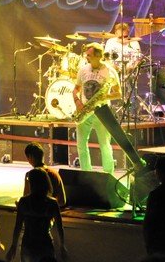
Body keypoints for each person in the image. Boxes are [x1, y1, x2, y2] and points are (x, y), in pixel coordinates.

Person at [72, 43, 121, 174]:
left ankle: (108, 174)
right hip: (84, 111)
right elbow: (76, 89)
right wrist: (77, 101)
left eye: (89, 55)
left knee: (105, 144)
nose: (86, 57)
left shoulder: (110, 71)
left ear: (98, 56)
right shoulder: (83, 69)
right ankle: (86, 173)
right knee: (81, 145)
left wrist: (105, 96)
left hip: (102, 111)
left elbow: (119, 94)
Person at [7, 168, 67, 262]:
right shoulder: (52, 203)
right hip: (45, 243)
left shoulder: (24, 202)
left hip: (28, 244)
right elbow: (60, 227)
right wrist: (62, 245)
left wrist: (13, 245)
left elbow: (18, 226)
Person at [22, 142, 66, 207]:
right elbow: (62, 201)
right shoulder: (55, 173)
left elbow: (25, 201)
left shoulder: (31, 175)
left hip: (35, 212)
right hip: (51, 211)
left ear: (30, 157)